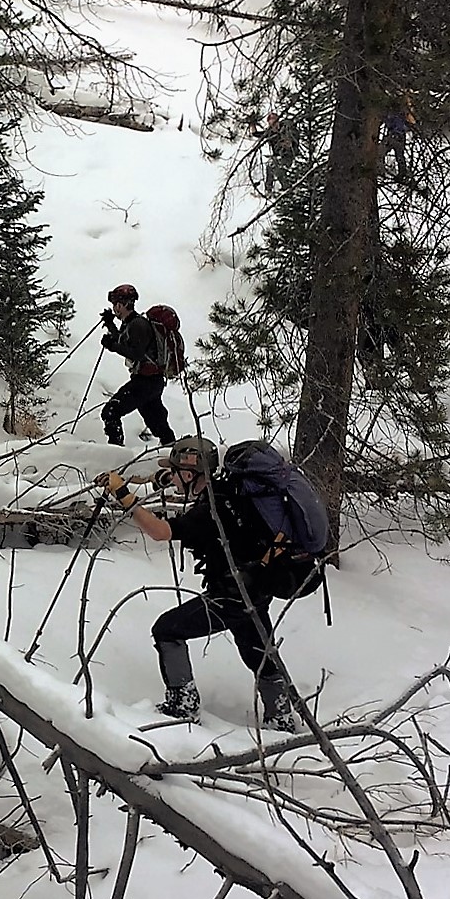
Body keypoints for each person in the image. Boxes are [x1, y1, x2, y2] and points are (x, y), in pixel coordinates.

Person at [95, 436, 299, 732]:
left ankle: (183, 705)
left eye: (177, 473)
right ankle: (280, 716)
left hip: (230, 595)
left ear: (190, 474)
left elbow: (160, 531)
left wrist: (124, 496)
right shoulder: (229, 493)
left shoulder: (209, 512)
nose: (173, 479)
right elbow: (176, 483)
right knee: (259, 652)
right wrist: (161, 476)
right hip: (255, 588)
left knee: (166, 629)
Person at [99, 283, 175, 448]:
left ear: (121, 304)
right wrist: (111, 326)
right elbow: (124, 340)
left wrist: (112, 346)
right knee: (158, 423)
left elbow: (137, 353)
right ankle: (172, 450)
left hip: (145, 382)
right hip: (152, 382)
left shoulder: (138, 324)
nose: (114, 308)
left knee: (110, 413)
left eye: (115, 305)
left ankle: (115, 454)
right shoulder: (132, 323)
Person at [263, 111, 295, 194]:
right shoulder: (270, 133)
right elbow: (258, 134)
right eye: (270, 122)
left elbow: (292, 141)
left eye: (273, 121)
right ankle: (268, 190)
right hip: (277, 156)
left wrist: (287, 143)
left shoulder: (285, 129)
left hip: (288, 155)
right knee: (270, 166)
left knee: (276, 167)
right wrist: (252, 124)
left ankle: (286, 187)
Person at [381, 100, 413, 180]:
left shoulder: (396, 115)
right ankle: (402, 172)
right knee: (398, 154)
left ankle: (401, 173)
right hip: (398, 135)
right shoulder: (399, 114)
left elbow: (392, 123)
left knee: (383, 151)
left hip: (396, 135)